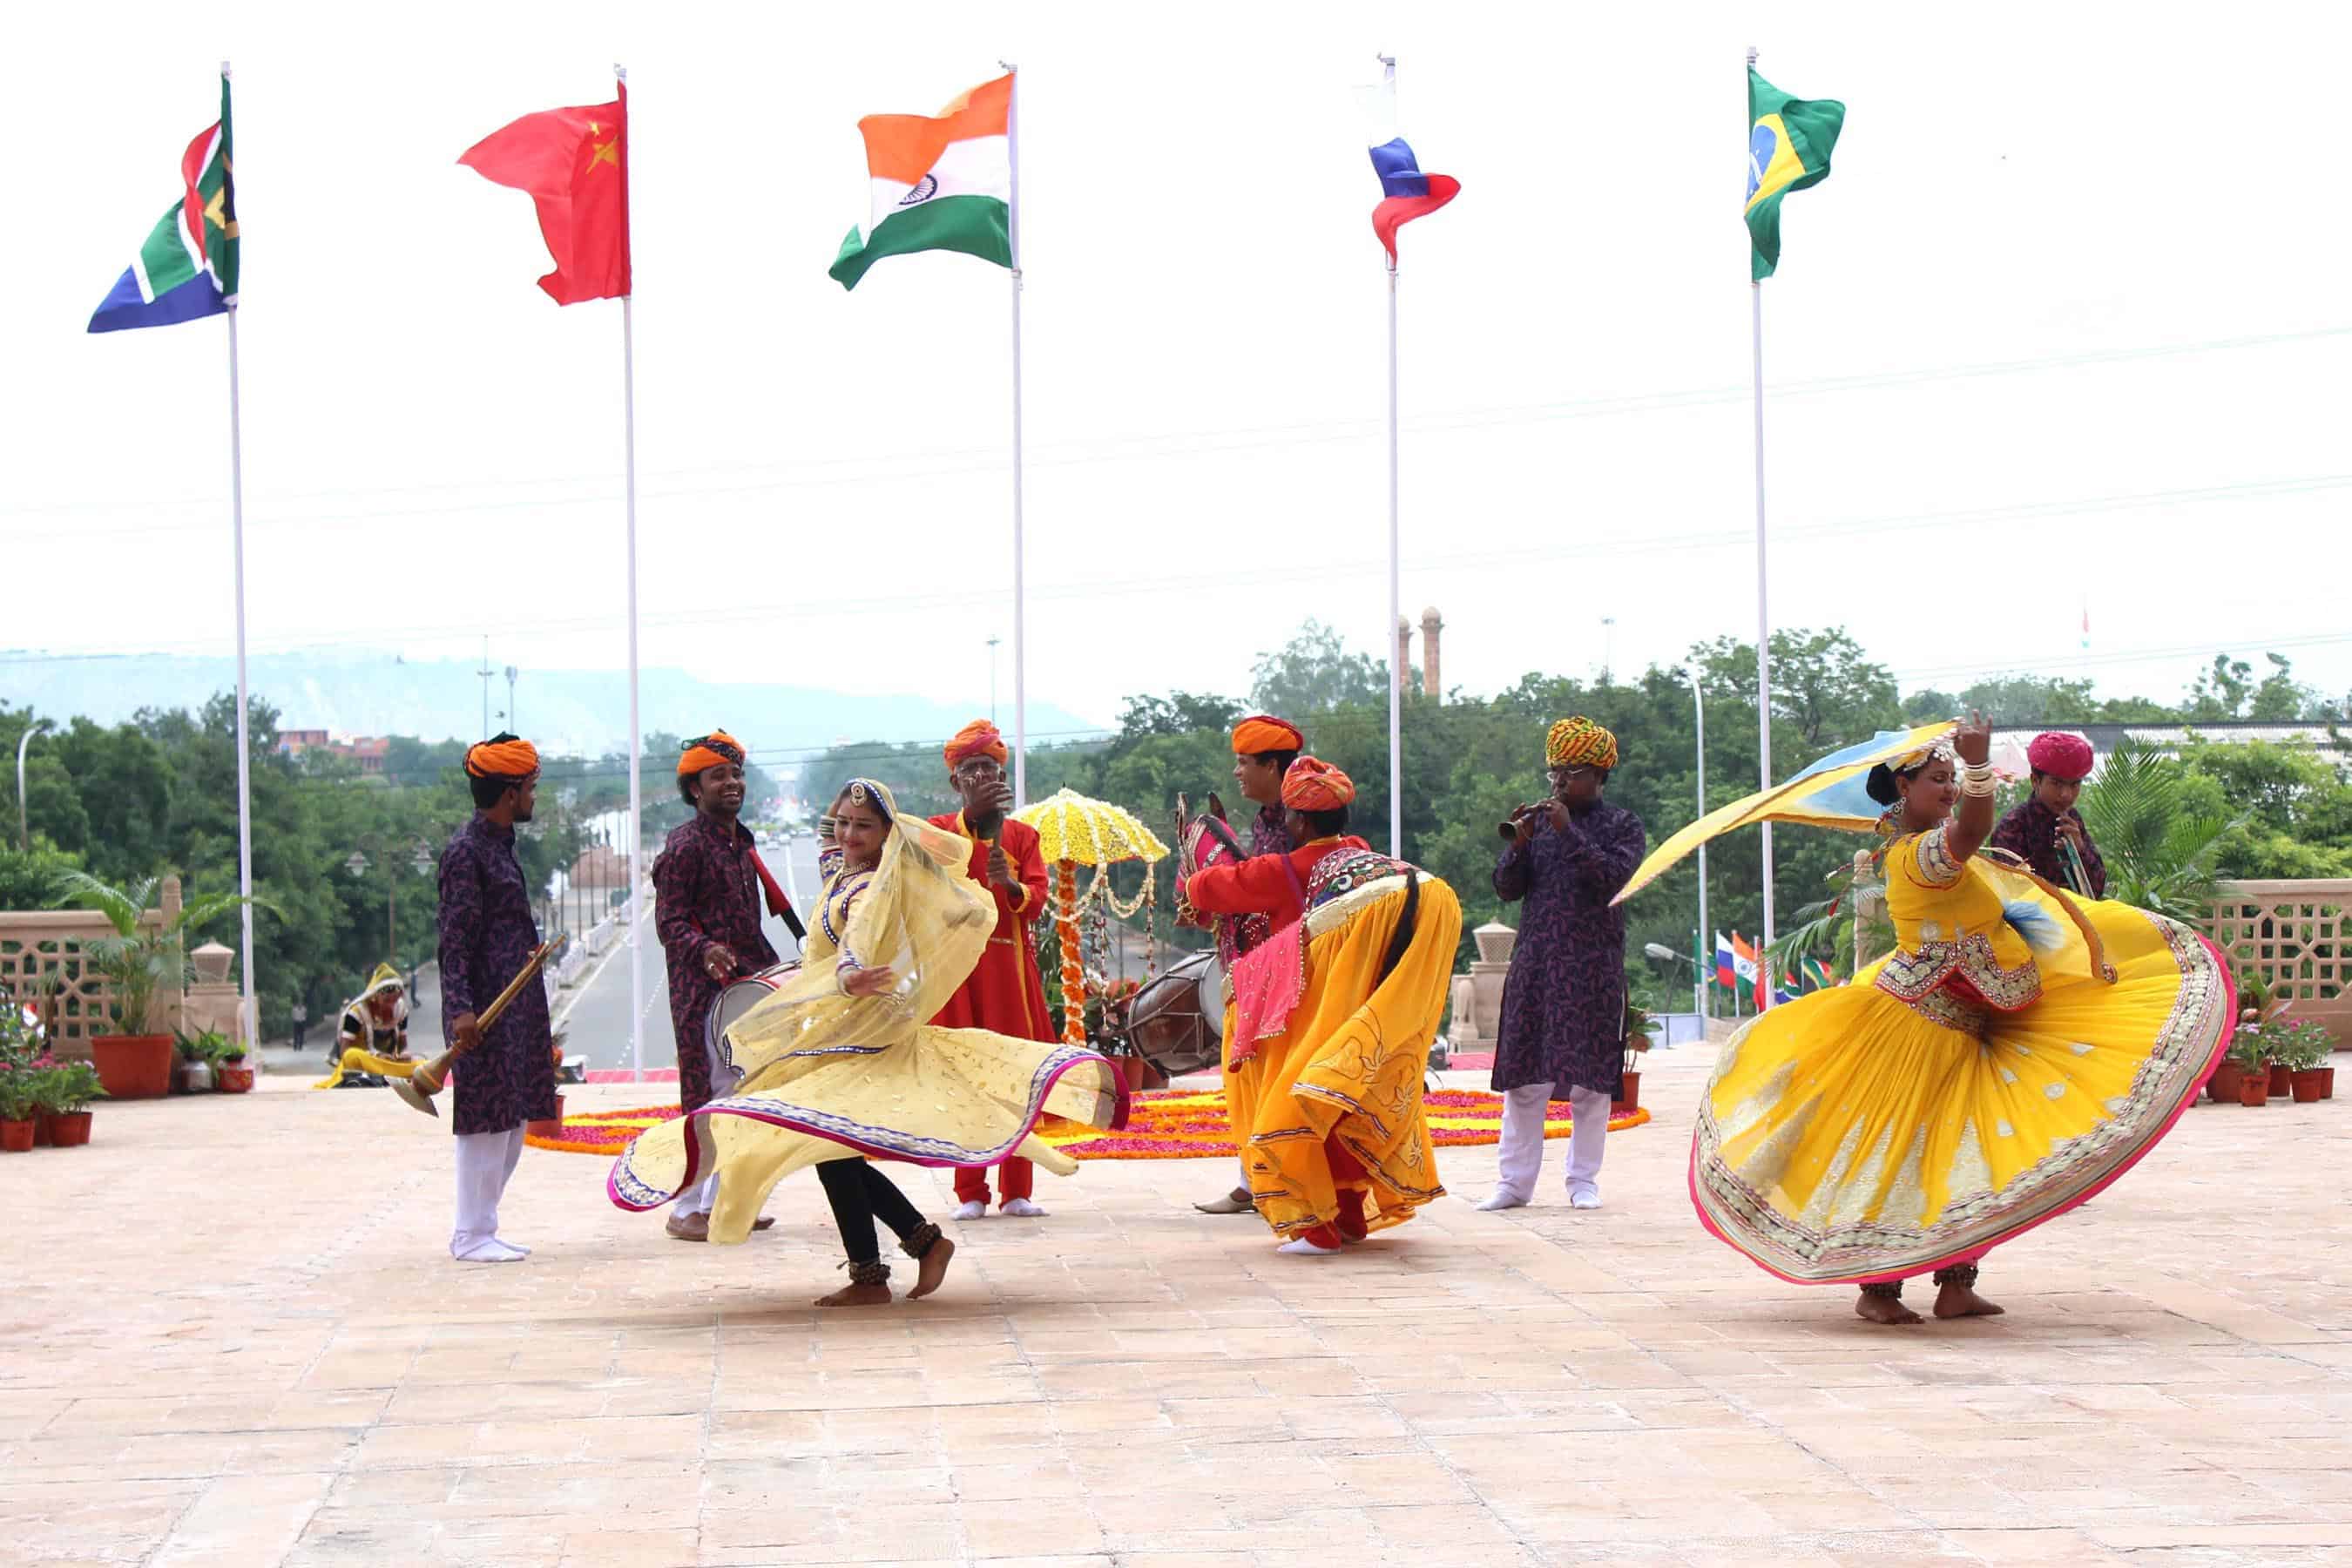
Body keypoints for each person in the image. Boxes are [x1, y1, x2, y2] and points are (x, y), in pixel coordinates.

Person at [1676, 713, 2231, 1323]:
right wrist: (1978, 764)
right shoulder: (1921, 855)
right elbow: (1974, 824)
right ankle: (1877, 1288)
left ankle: (1957, 1284)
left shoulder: (1929, 848)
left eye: (1951, 778)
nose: (1948, 788)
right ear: (1904, 788)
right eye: (1937, 779)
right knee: (1900, 1156)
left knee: (1968, 1157)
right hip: (1917, 1029)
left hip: (1967, 1022)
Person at [607, 779, 1127, 1307]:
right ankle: (907, 1252)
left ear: (886, 834)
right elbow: (833, 847)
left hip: (862, 1034)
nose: (849, 834)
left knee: (829, 1146)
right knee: (830, 1146)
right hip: (833, 1032)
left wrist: (850, 974)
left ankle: (888, 1265)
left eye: (863, 826)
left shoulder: (870, 889)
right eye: (843, 823)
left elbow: (860, 935)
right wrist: (851, 817)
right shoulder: (843, 870)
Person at [1180, 757, 1461, 1254]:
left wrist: (1195, 858)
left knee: (1294, 1106)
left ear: (1298, 821)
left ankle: (1316, 1227)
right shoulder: (1359, 858)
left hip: (1304, 1007)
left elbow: (1207, 888)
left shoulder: (1283, 869)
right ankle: (1348, 1218)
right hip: (1359, 1005)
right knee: (1341, 1107)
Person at [1480, 717, 1646, 1212]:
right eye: (1555, 772)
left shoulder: (1623, 826)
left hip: (1592, 968)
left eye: (1570, 773)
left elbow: (1612, 878)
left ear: (1599, 775)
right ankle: (1514, 1184)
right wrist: (1520, 844)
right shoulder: (1539, 828)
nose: (1558, 782)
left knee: (1590, 1084)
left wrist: (1567, 832)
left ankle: (1582, 1181)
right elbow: (1506, 889)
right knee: (1524, 1080)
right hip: (1536, 965)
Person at [653, 730, 796, 1242]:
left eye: (736, 774)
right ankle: (686, 1208)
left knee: (741, 1093)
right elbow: (669, 922)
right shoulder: (684, 846)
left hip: (742, 986)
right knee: (709, 1097)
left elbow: (747, 923)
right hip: (702, 992)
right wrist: (705, 948)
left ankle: (726, 1204)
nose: (732, 783)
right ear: (695, 789)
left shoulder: (741, 841)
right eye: (718, 776)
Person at [436, 733, 560, 1264]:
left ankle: (485, 1225)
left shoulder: (500, 845)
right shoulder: (466, 853)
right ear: (510, 794)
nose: (534, 797)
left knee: (511, 1121)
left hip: (515, 1009)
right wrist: (460, 1010)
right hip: (483, 1012)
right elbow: (454, 940)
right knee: (484, 1123)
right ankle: (469, 1234)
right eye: (530, 788)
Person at [926, 720, 1057, 1220]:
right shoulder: (938, 832)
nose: (981, 775)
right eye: (970, 769)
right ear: (955, 781)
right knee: (965, 1079)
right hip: (959, 975)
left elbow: (1037, 898)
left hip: (1010, 973)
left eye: (988, 767)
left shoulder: (1023, 837)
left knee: (1015, 1076)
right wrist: (975, 831)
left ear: (1001, 777)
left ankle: (1018, 1190)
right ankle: (970, 1191)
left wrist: (1011, 886)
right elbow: (929, 885)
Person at [1188, 713, 1303, 1215]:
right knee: (1248, 1074)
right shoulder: (1266, 820)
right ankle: (1252, 1179)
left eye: (1244, 762)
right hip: (1257, 965)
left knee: (1276, 1075)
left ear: (1272, 767)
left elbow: (1273, 888)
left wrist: (1216, 887)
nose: (1237, 772)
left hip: (1291, 967)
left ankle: (1279, 1182)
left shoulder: (1300, 820)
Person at [1990, 732, 2106, 897]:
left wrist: (2080, 849)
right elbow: (2015, 894)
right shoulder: (2013, 826)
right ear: (2035, 781)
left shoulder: (2072, 819)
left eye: (2074, 785)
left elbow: (2097, 889)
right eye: (2056, 783)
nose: (2066, 794)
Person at [314, 963, 410, 1090]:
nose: (391, 1005)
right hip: (361, 1067)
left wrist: (404, 1054)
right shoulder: (356, 1012)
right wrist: (376, 1056)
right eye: (387, 1001)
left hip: (389, 1065)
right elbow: (345, 1052)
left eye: (395, 1000)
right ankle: (393, 1074)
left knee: (422, 1064)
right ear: (375, 996)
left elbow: (403, 1044)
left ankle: (393, 1073)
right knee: (352, 1055)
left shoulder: (401, 1010)